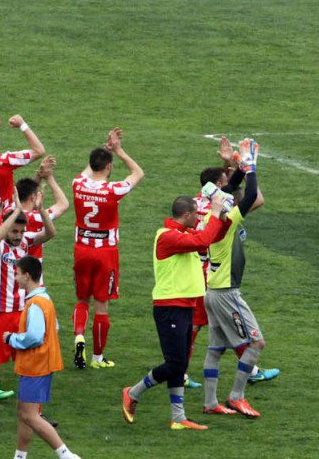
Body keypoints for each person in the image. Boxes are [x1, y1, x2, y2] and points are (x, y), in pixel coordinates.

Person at [120, 193, 230, 431]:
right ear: (187, 214)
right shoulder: (167, 237)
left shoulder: (182, 234)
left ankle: (178, 418)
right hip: (170, 307)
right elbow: (204, 240)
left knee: (180, 363)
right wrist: (213, 213)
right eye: (196, 214)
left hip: (184, 306)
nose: (198, 217)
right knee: (175, 363)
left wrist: (222, 216)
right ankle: (133, 392)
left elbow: (212, 237)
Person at [189, 137, 280, 387]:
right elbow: (253, 198)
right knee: (245, 336)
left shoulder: (202, 204)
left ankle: (201, 389)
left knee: (213, 340)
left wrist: (234, 165)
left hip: (202, 270)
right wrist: (249, 168)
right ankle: (241, 384)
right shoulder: (228, 219)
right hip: (219, 281)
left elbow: (227, 189)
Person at [0, 256, 83, 459]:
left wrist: (12, 338)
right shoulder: (44, 299)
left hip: (36, 364)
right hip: (40, 364)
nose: (15, 278)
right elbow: (54, 328)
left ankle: (67, 456)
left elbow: (34, 336)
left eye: (17, 274)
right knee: (22, 411)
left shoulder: (35, 304)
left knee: (30, 415)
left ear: (27, 276)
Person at [0, 197, 55, 427]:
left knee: (31, 363)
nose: (19, 235)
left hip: (21, 313)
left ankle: (36, 413)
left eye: (21, 231)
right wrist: (13, 213)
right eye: (15, 231)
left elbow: (50, 233)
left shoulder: (26, 242)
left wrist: (41, 210)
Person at [71, 128, 144, 370]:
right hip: (105, 253)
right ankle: (97, 358)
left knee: (82, 299)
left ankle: (79, 335)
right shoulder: (113, 190)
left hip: (82, 249)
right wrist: (118, 150)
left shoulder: (78, 184)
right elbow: (138, 173)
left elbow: (87, 171)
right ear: (109, 167)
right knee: (101, 305)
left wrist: (103, 150)